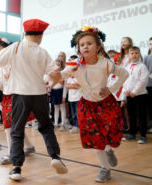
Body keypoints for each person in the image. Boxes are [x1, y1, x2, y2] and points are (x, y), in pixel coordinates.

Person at [0, 19, 68, 181]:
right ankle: (55, 157)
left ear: (25, 33)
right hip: (40, 94)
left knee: (17, 130)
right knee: (46, 126)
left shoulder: (15, 47)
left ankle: (17, 168)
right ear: (40, 36)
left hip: (20, 95)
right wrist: (51, 83)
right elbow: (56, 74)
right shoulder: (42, 52)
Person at [55, 26, 129, 183]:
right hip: (87, 106)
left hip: (106, 104)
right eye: (82, 45)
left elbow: (124, 74)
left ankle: (109, 149)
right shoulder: (75, 65)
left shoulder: (106, 64)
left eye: (89, 43)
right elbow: (59, 76)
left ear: (98, 47)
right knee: (95, 138)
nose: (85, 47)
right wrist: (50, 75)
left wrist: (111, 89)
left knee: (110, 134)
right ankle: (105, 168)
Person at [0, 37, 36, 165]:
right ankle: (29, 147)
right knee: (12, 125)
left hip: (18, 95)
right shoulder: (2, 66)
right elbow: (3, 85)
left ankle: (11, 154)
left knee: (9, 126)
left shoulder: (16, 63)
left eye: (1, 52)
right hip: (7, 96)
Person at [122, 46, 149, 144]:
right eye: (132, 53)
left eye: (136, 53)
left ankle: (142, 135)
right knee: (131, 115)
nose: (134, 55)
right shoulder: (127, 67)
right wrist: (126, 90)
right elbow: (124, 80)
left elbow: (143, 81)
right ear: (129, 55)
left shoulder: (142, 66)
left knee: (141, 116)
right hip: (129, 95)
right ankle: (132, 133)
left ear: (139, 54)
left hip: (140, 95)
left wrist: (135, 92)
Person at [49, 58, 67, 131]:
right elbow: (50, 83)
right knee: (56, 108)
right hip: (54, 92)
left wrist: (64, 96)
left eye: (58, 65)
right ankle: (56, 123)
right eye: (55, 65)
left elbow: (65, 86)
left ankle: (62, 123)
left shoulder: (63, 74)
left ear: (60, 66)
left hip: (60, 91)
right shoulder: (52, 74)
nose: (56, 67)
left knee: (62, 108)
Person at [65, 55, 82, 133]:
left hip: (78, 97)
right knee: (73, 113)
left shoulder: (79, 76)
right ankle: (75, 125)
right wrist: (72, 86)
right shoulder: (69, 77)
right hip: (71, 98)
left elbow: (79, 86)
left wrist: (72, 86)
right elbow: (67, 85)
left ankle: (78, 126)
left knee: (77, 112)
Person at [144, 37, 152, 133]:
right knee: (150, 106)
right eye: (150, 44)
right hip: (149, 85)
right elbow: (145, 71)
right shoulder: (146, 57)